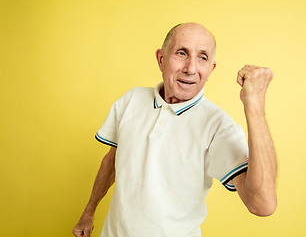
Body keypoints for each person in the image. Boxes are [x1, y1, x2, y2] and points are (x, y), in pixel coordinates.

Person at [73, 22, 277, 237]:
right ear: (161, 59)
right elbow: (113, 159)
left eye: (202, 57)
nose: (190, 68)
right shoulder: (131, 99)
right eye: (182, 53)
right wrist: (88, 212)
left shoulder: (218, 126)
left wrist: (255, 106)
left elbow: (262, 204)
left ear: (210, 69)